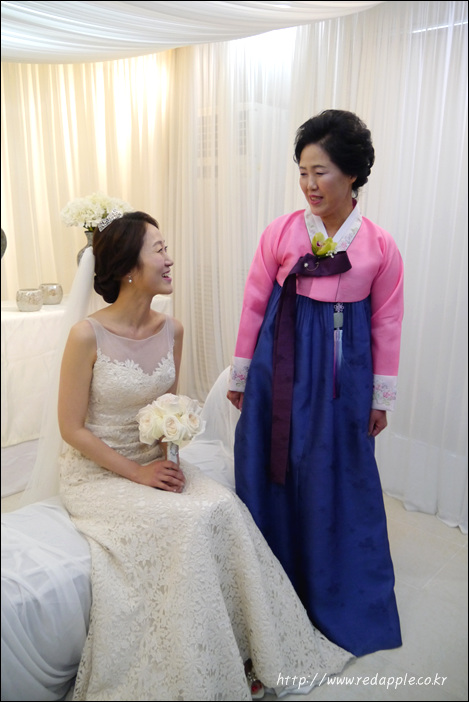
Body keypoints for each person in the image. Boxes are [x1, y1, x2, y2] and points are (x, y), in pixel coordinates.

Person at [54, 210, 351, 701]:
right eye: (159, 250)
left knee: (224, 507)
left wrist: (169, 455)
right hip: (97, 473)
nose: (170, 259)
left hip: (154, 462)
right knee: (189, 523)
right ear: (128, 268)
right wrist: (138, 474)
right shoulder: (86, 334)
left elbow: (166, 408)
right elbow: (71, 429)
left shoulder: (172, 329)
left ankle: (249, 649)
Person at [228, 109, 404, 658]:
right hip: (278, 362)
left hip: (342, 375)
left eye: (320, 172)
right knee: (275, 464)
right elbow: (255, 301)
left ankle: (335, 587)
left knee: (336, 469)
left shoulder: (379, 245)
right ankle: (269, 591)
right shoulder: (281, 232)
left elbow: (387, 321)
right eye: (303, 172)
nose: (309, 184)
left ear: (351, 174)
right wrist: (241, 372)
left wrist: (380, 396)